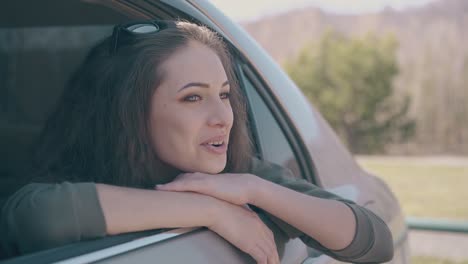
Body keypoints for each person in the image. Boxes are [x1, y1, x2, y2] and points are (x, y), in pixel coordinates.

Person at [0, 20, 393, 263]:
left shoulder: (245, 176)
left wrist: (255, 189)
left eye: (224, 95)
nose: (223, 117)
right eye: (193, 97)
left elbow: (375, 242)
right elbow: (38, 218)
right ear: (129, 114)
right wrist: (210, 212)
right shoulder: (75, 177)